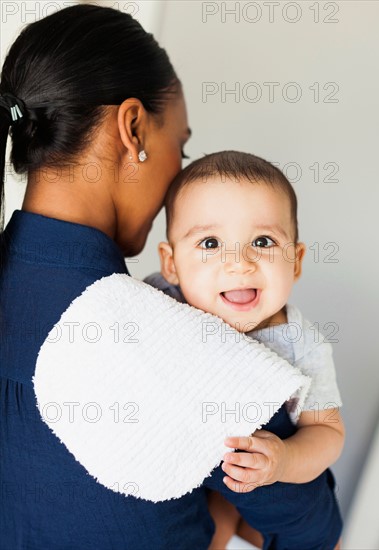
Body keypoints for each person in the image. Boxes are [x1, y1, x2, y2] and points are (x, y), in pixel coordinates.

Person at [0, 4, 217, 548]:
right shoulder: (169, 340)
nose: (181, 176)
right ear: (133, 126)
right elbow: (311, 525)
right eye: (181, 147)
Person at [144, 150, 345, 550]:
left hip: (274, 490)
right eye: (211, 242)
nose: (239, 263)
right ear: (171, 264)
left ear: (296, 261)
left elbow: (327, 432)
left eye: (263, 241)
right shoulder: (159, 300)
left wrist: (283, 459)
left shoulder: (300, 345)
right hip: (196, 477)